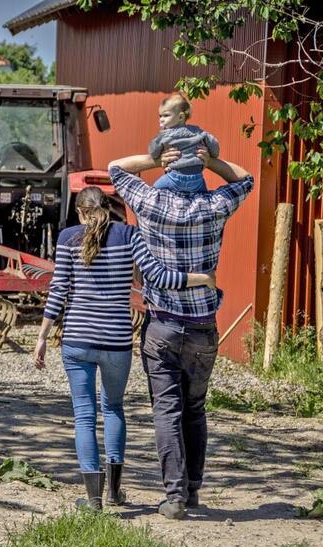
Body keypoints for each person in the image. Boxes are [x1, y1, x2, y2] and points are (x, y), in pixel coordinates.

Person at [33, 187, 216, 511]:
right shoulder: (129, 235)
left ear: (80, 212)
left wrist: (43, 335)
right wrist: (201, 278)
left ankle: (92, 499)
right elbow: (158, 277)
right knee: (114, 408)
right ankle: (115, 492)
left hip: (77, 340)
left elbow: (59, 289)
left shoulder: (67, 239)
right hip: (117, 341)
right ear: (110, 208)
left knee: (84, 416)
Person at [108, 147, 254, 520]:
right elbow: (245, 178)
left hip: (163, 325)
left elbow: (116, 168)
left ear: (169, 172)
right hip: (204, 326)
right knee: (195, 409)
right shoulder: (215, 205)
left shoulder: (151, 201)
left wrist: (157, 159)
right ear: (200, 174)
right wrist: (213, 162)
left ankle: (173, 498)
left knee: (166, 411)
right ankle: (192, 493)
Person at [148, 94, 219, 194]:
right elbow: (214, 147)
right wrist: (213, 154)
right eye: (160, 116)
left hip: (175, 178)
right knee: (204, 196)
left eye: (166, 115)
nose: (161, 119)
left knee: (152, 192)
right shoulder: (198, 131)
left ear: (181, 117)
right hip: (197, 179)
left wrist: (158, 138)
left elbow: (153, 153)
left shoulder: (164, 135)